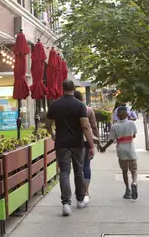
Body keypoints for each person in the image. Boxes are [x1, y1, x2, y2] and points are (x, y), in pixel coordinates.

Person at [44, 79, 95, 217]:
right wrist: (91, 145)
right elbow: (85, 126)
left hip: (61, 144)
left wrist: (53, 134)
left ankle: (66, 204)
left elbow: (47, 124)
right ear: (73, 89)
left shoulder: (55, 105)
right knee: (79, 172)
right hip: (77, 144)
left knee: (64, 172)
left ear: (62, 89)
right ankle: (79, 200)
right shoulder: (79, 105)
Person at [99, 106, 139, 200]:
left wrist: (103, 148)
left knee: (124, 171)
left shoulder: (115, 126)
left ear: (117, 115)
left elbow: (111, 140)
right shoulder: (131, 123)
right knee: (134, 170)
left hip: (121, 151)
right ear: (127, 114)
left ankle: (127, 190)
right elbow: (133, 135)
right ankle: (134, 182)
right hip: (131, 150)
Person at [73, 91, 99, 198]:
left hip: (73, 141)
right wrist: (97, 140)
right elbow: (94, 126)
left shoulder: (70, 110)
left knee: (77, 167)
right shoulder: (88, 110)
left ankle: (79, 189)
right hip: (86, 140)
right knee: (86, 165)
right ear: (82, 99)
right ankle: (86, 190)